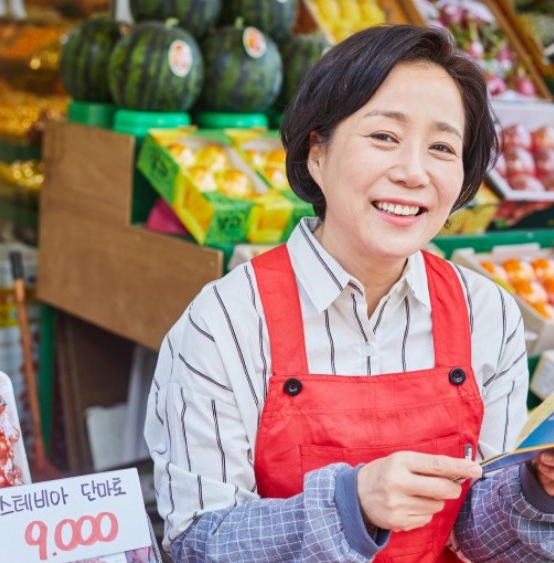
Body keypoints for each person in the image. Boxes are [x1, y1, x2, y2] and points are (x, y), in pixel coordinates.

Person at [144, 24, 554, 562]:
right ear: (317, 151)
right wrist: (349, 506)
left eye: (441, 147)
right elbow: (198, 544)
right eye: (384, 137)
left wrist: (536, 490)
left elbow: (474, 532)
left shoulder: (489, 313)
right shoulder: (225, 321)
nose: (413, 172)